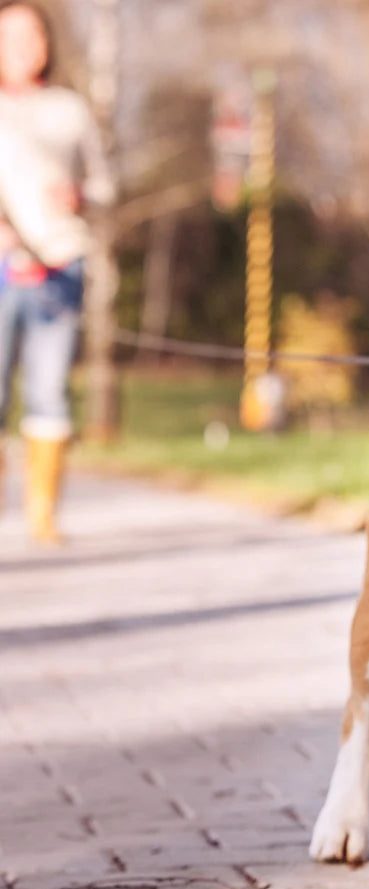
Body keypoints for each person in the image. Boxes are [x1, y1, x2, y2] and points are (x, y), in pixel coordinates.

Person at [0, 0, 113, 543]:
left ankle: (43, 514)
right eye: (12, 35)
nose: (24, 45)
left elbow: (105, 184)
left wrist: (81, 195)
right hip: (3, 265)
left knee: (49, 391)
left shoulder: (70, 110)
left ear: (48, 43)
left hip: (62, 263)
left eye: (33, 34)